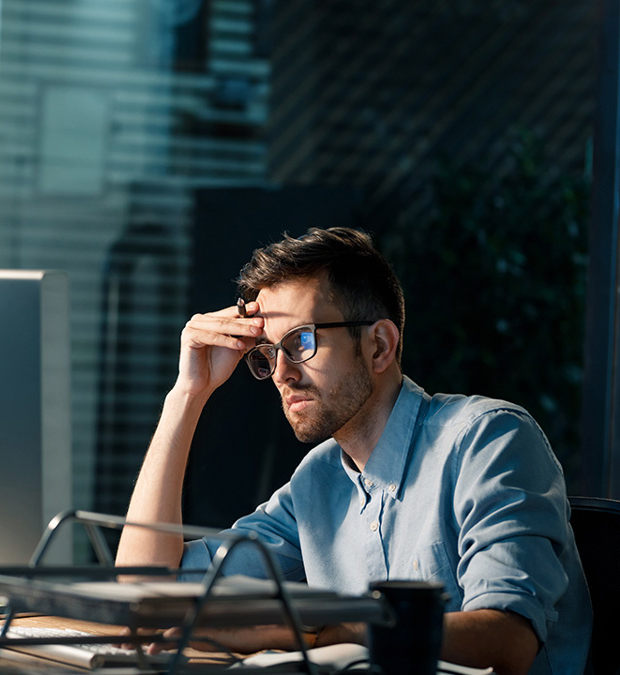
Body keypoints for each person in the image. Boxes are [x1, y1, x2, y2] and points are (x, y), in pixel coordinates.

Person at [115, 227, 590, 675]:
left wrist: (317, 636)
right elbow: (147, 591)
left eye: (301, 342)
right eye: (268, 352)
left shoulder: (487, 440)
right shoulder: (318, 480)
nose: (281, 373)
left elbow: (508, 641)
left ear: (379, 345)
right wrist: (187, 394)